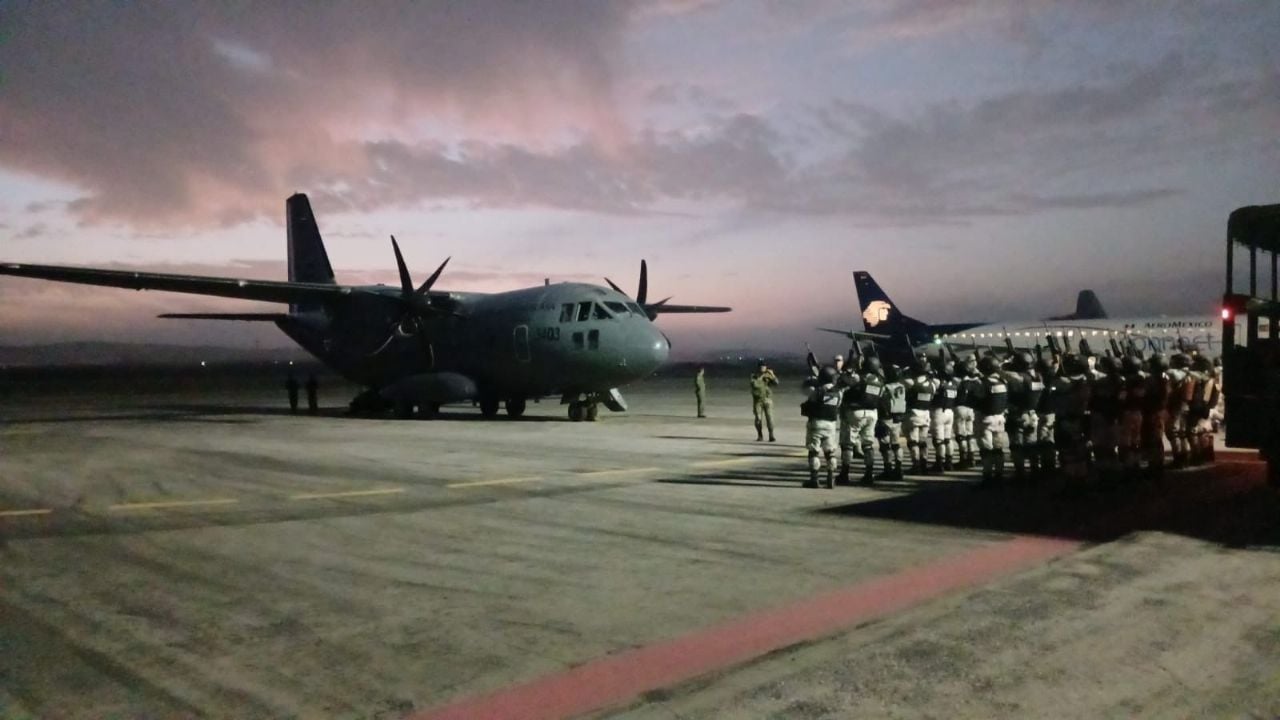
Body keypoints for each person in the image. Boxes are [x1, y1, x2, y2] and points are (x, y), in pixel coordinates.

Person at [839, 355, 884, 485]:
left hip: (856, 412)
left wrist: (851, 369)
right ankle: (869, 474)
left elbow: (844, 381)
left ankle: (844, 474)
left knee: (847, 444)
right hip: (872, 414)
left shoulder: (860, 378)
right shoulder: (880, 381)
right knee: (868, 445)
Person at [1004, 351, 1044, 482]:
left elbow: (1007, 375)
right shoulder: (1038, 377)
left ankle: (1020, 473)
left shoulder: (1019, 378)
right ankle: (1035, 470)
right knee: (1031, 444)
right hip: (1033, 414)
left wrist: (1003, 365)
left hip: (1019, 414)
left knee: (1017, 446)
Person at [970, 354, 1009, 486]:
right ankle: (999, 475)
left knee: (986, 451)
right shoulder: (1003, 382)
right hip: (1000, 418)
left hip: (985, 419)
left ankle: (987, 477)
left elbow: (975, 400)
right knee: (998, 450)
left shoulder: (981, 383)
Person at [802, 365, 843, 488]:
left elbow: (808, 396)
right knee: (830, 452)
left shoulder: (817, 391)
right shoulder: (839, 393)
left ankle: (814, 479)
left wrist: (814, 380)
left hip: (816, 423)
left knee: (813, 452)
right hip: (831, 424)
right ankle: (831, 477)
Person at [902, 356, 937, 475]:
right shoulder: (932, 383)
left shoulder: (912, 382)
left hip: (913, 413)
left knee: (913, 442)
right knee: (923, 441)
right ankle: (924, 463)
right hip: (926, 413)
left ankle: (916, 465)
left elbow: (903, 380)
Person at [876, 364, 907, 481]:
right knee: (896, 444)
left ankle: (887, 469)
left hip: (886, 418)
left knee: (884, 446)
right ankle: (899, 468)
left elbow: (880, 400)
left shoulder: (886, 387)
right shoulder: (902, 387)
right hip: (898, 418)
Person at [930, 358, 959, 473]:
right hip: (949, 412)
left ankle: (940, 463)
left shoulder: (938, 383)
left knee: (939, 440)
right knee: (948, 439)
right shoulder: (954, 384)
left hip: (939, 411)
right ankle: (949, 462)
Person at [750, 360, 778, 442]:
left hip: (767, 399)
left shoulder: (768, 376)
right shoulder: (754, 376)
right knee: (758, 419)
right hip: (758, 400)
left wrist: (772, 375)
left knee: (770, 418)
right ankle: (760, 434)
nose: (763, 368)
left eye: (764, 367)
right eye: (761, 367)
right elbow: (755, 385)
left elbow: (776, 383)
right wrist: (762, 376)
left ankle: (771, 435)